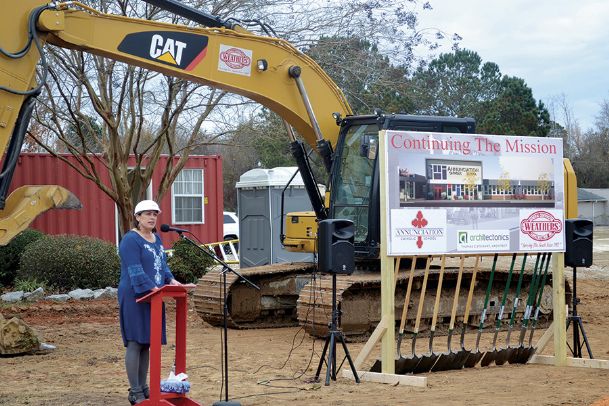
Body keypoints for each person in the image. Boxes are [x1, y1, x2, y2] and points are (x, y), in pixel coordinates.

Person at [118, 200, 181, 405]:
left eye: (155, 214)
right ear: (137, 217)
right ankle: (134, 390)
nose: (152, 217)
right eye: (147, 214)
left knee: (147, 342)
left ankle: (144, 386)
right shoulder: (130, 240)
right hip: (135, 295)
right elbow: (134, 269)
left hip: (154, 295)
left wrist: (170, 280)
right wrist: (151, 287)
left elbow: (162, 265)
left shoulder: (157, 239)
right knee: (136, 342)